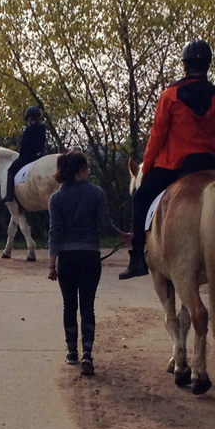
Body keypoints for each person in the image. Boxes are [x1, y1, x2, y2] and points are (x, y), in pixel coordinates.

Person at [119, 39, 215, 280]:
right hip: (212, 164)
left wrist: (148, 166)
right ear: (208, 65)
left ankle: (136, 259)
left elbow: (157, 136)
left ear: (184, 66)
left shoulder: (170, 96)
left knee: (141, 197)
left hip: (175, 166)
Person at [48, 152, 130, 375]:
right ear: (81, 169)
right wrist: (122, 235)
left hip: (66, 258)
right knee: (87, 305)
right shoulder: (97, 193)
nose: (90, 171)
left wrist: (52, 264)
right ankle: (87, 353)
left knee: (69, 305)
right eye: (88, 167)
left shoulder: (55, 199)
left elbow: (55, 233)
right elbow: (104, 224)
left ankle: (72, 352)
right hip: (90, 257)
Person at [0, 106, 47, 203]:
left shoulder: (28, 130)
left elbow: (24, 145)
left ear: (29, 118)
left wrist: (21, 156)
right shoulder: (43, 129)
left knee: (11, 170)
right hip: (41, 155)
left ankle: (9, 195)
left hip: (29, 157)